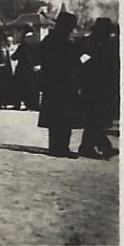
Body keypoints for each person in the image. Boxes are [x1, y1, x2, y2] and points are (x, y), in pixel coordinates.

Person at [36, 11, 83, 157]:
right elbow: (73, 63)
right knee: (64, 116)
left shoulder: (49, 39)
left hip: (51, 83)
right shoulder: (65, 43)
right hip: (65, 83)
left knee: (54, 116)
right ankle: (62, 147)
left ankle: (54, 146)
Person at [76, 18, 119, 159]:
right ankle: (103, 146)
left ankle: (87, 147)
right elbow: (83, 62)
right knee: (95, 118)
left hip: (100, 86)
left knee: (95, 119)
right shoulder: (90, 43)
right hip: (93, 86)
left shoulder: (104, 43)